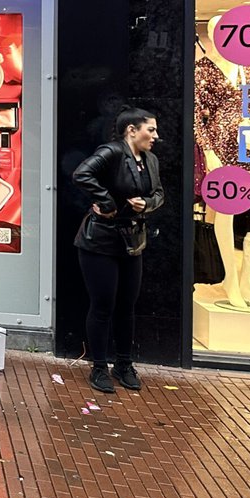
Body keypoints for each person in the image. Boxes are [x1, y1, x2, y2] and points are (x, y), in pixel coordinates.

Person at [73, 107, 164, 394]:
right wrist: (107, 201)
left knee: (127, 306)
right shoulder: (112, 152)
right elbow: (81, 173)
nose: (155, 136)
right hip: (99, 240)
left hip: (133, 240)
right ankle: (98, 366)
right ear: (131, 130)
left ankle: (124, 364)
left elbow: (159, 193)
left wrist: (146, 205)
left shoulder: (150, 160)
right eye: (150, 129)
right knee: (102, 305)